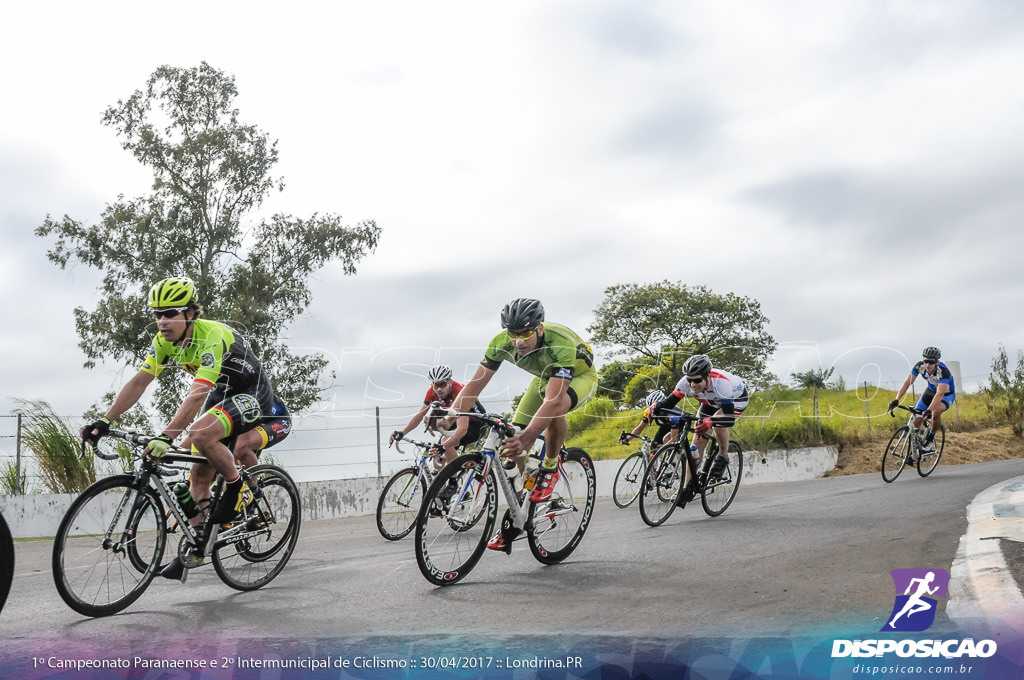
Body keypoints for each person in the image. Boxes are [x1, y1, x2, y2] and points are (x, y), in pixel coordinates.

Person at [81, 276, 282, 581]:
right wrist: (105, 420)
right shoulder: (163, 342)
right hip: (222, 395)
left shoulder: (211, 336)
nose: (162, 321)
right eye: (157, 314)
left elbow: (197, 394)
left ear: (190, 314)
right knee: (197, 476)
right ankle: (201, 545)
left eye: (170, 313)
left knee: (199, 434)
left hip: (251, 394)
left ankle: (235, 484)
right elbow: (139, 382)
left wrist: (166, 436)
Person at [451, 298, 598, 551]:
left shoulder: (559, 342)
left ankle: (550, 468)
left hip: (580, 377)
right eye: (513, 334)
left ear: (539, 329)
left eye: (526, 333)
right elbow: (474, 386)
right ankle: (518, 514)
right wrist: (451, 414)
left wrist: (529, 437)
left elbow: (552, 401)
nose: (518, 341)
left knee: (554, 408)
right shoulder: (500, 344)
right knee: (512, 440)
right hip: (544, 377)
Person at [648, 354, 749, 501]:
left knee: (719, 424)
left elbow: (729, 418)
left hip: (735, 400)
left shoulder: (722, 383)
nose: (693, 384)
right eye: (690, 380)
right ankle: (688, 487)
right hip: (709, 402)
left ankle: (722, 456)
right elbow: (669, 402)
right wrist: (656, 408)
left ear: (708, 376)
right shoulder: (685, 383)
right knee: (696, 443)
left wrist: (711, 421)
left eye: (697, 380)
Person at [388, 364, 486, 465]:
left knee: (445, 444)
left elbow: (462, 429)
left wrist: (444, 446)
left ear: (449, 382)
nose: (439, 389)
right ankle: (444, 477)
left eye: (442, 384)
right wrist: (403, 433)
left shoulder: (459, 392)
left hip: (476, 424)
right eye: (435, 385)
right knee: (436, 457)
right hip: (455, 421)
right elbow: (419, 416)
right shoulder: (432, 393)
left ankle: (454, 478)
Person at [888, 346, 954, 453]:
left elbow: (940, 393)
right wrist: (896, 399)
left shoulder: (943, 371)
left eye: (930, 362)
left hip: (946, 395)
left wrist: (929, 410)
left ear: (937, 362)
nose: (927, 364)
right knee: (916, 417)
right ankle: (915, 448)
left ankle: (930, 440)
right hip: (930, 392)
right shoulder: (920, 367)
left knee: (935, 412)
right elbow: (907, 383)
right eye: (925, 361)